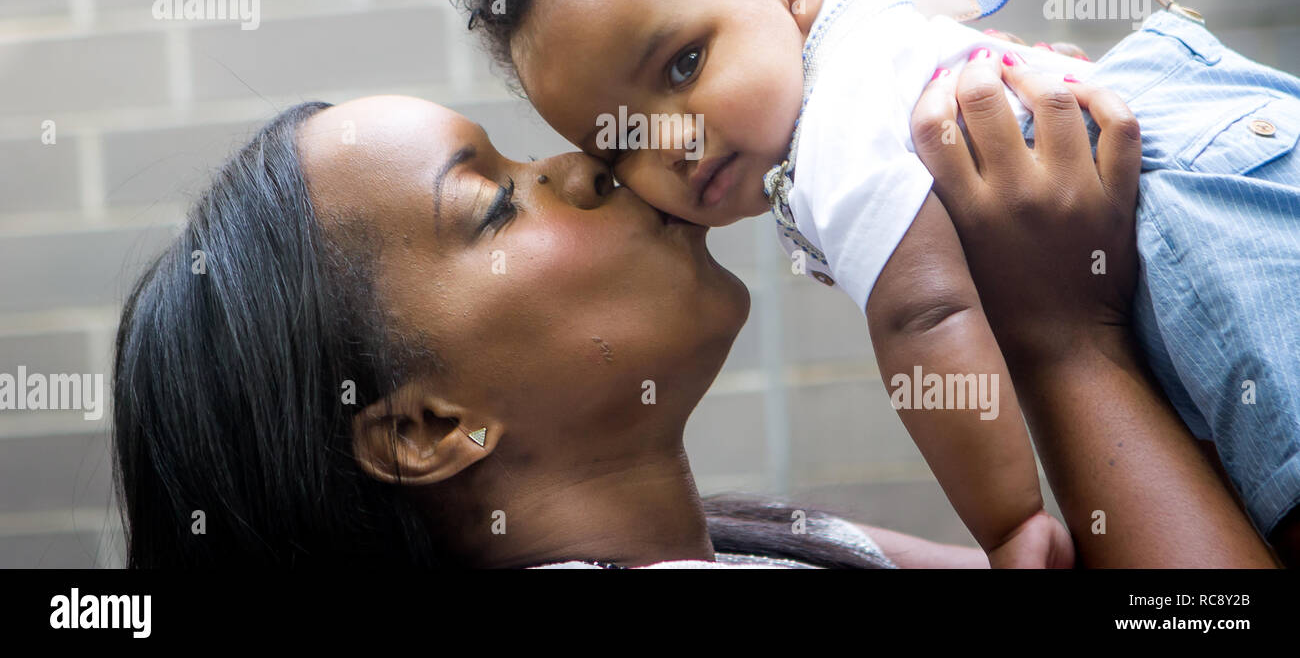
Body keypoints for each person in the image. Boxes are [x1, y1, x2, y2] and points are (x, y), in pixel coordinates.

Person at [456, 0, 1300, 564]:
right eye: (619, 140)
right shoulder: (853, 21)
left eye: (682, 65)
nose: (671, 143)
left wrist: (1008, 522)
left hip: (1187, 202)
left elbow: (923, 315)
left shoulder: (831, 128)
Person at [113, 85, 1276, 567]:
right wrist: (1063, 335)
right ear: (426, 425)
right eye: (491, 201)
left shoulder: (746, 538)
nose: (582, 162)